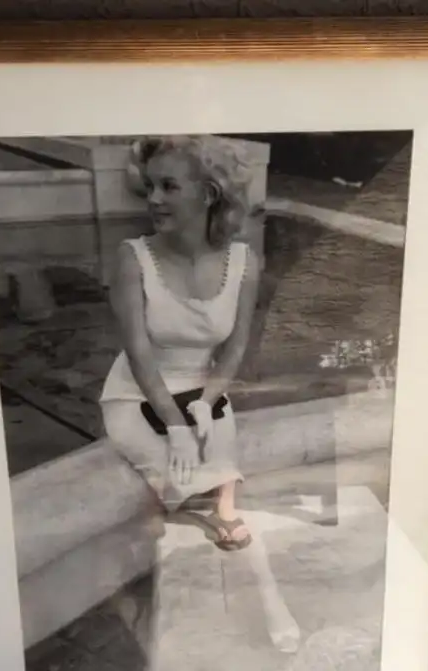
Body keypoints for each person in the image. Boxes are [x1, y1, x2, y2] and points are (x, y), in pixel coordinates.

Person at [98, 134, 262, 551]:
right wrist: (175, 426)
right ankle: (171, 504)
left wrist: (206, 402)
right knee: (175, 467)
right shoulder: (132, 258)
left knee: (218, 450)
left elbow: (235, 350)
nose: (153, 199)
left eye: (168, 187)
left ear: (208, 195)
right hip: (138, 391)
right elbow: (139, 355)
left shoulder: (244, 263)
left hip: (202, 389)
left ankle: (224, 508)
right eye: (150, 186)